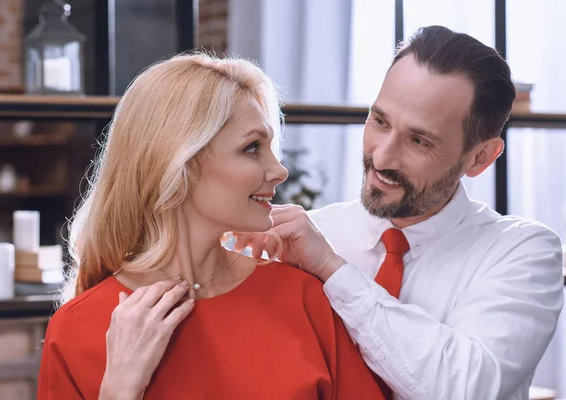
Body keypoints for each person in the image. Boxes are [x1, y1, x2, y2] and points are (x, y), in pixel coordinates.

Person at [235, 26, 564, 400]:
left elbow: (466, 389)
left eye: (419, 140)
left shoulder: (523, 252)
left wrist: (333, 271)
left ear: (480, 158)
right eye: (380, 121)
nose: (382, 157)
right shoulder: (313, 233)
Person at [36, 52, 385, 400]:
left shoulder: (303, 299)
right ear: (180, 164)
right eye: (252, 148)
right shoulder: (78, 330)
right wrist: (118, 392)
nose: (279, 170)